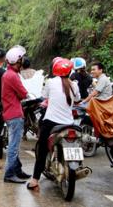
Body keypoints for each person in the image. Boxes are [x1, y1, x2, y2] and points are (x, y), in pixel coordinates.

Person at [27, 58, 80, 190]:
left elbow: (44, 96)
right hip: (69, 124)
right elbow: (78, 99)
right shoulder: (74, 85)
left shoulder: (50, 82)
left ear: (55, 70)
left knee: (42, 149)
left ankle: (34, 180)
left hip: (51, 123)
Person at [2, 45, 30, 184]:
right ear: (17, 61)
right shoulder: (13, 76)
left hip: (9, 112)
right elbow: (24, 93)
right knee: (13, 146)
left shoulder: (8, 74)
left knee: (15, 144)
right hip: (14, 114)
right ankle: (9, 174)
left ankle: (17, 170)